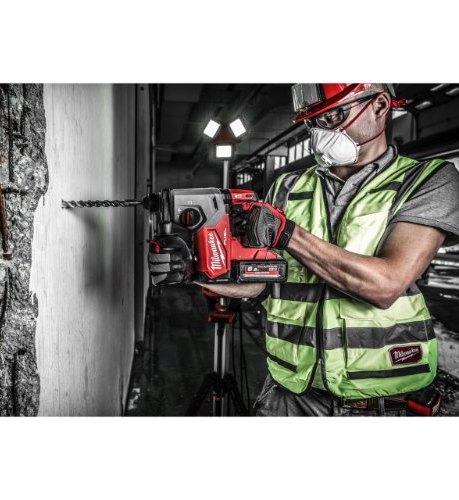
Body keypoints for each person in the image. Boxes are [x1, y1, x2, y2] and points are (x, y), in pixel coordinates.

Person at [148, 83, 459, 416]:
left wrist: (287, 234)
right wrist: (196, 269)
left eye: (333, 116)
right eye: (313, 122)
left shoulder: (428, 180)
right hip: (289, 393)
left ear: (380, 106)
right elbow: (261, 281)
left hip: (382, 401)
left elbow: (385, 286)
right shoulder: (287, 187)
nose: (320, 133)